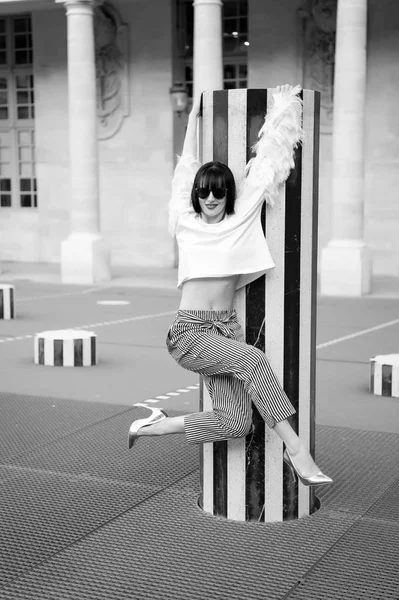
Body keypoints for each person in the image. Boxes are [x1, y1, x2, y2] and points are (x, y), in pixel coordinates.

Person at [128, 84, 332, 488]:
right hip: (189, 332)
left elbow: (269, 160)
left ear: (228, 194)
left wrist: (283, 107)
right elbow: (185, 163)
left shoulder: (240, 219)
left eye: (218, 192)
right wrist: (191, 118)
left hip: (225, 328)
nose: (210, 198)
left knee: (235, 422)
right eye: (204, 192)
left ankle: (155, 426)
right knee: (254, 362)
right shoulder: (185, 222)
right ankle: (297, 451)